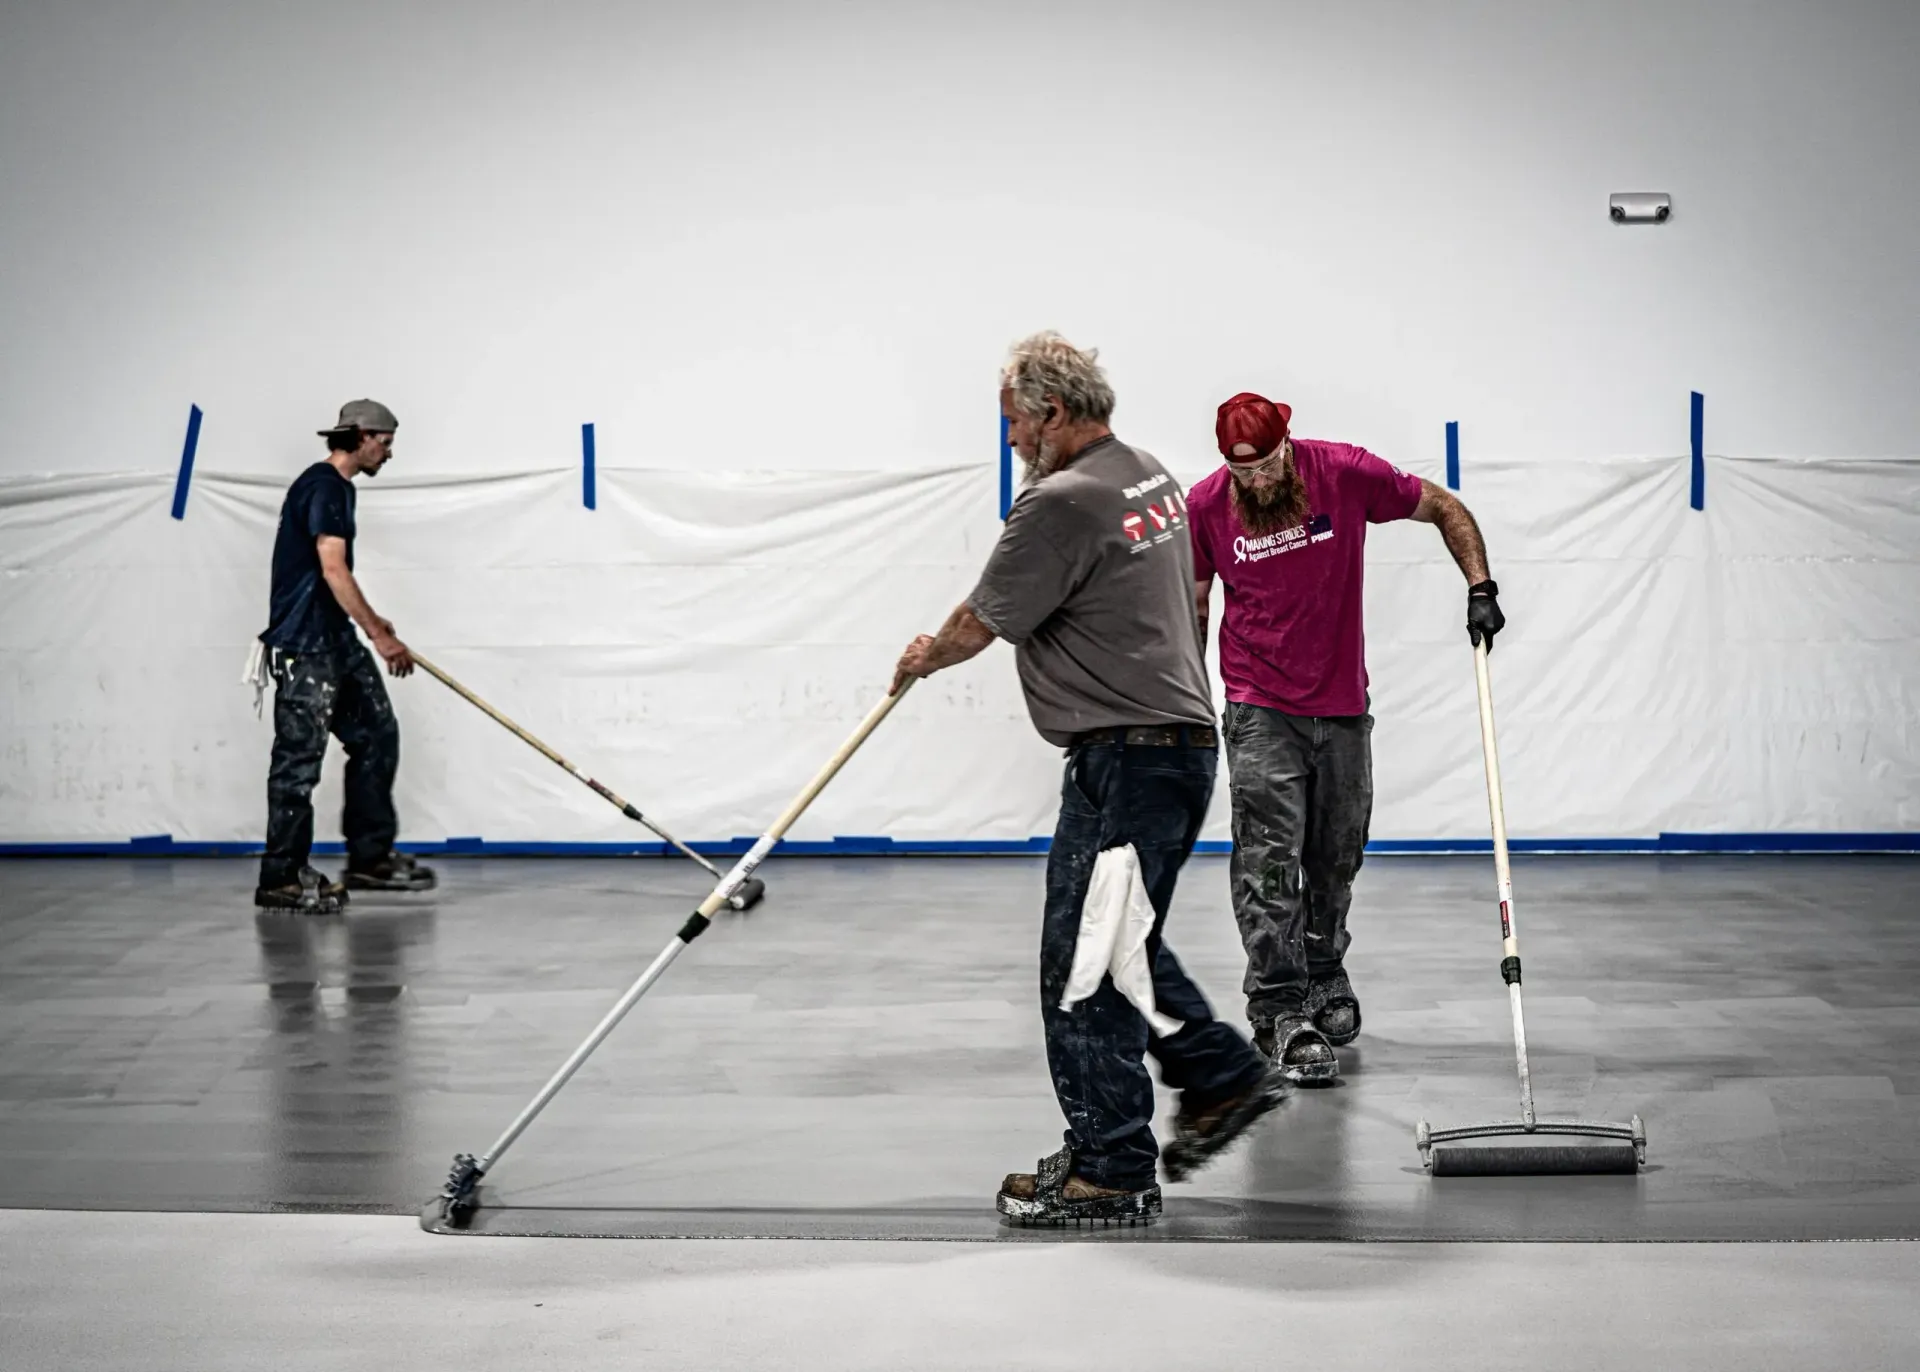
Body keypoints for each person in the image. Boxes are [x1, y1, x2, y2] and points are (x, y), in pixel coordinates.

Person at [893, 334, 1285, 1226]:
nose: (1009, 441)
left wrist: (925, 656)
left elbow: (981, 619)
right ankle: (1189, 1097)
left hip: (1131, 757)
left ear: (1053, 413)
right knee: (1111, 947)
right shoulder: (1146, 473)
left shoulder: (1058, 504)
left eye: (1013, 423)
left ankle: (1116, 1166)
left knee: (1089, 963)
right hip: (1164, 749)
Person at [1187, 392, 1504, 1082]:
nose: (1258, 482)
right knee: (1271, 857)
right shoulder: (1207, 505)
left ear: (1287, 445)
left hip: (1341, 705)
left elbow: (1444, 507)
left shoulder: (1345, 474)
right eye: (1243, 472)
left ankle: (1324, 973)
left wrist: (1480, 586)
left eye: (1267, 465)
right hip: (1259, 706)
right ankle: (1275, 1004)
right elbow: (1195, 598)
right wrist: (1183, 688)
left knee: (1337, 852)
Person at [252, 399, 436, 913]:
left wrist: (370, 626)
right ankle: (280, 877)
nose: (388, 453)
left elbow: (331, 576)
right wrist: (379, 633)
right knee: (298, 762)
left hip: (334, 640)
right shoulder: (324, 486)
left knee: (377, 735)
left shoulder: (338, 488)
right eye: (385, 442)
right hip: (305, 646)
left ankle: (370, 858)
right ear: (359, 436)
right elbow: (333, 569)